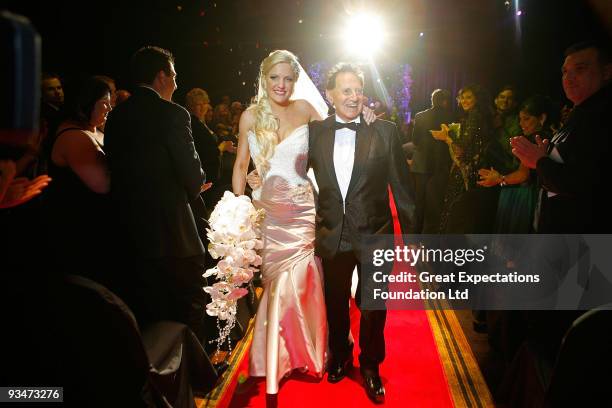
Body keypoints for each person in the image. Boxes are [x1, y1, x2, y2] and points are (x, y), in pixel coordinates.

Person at [308, 63, 414, 403]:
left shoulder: (384, 131)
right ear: (330, 94)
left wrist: (414, 241)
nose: (354, 97)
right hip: (332, 234)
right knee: (335, 303)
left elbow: (403, 187)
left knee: (373, 306)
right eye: (346, 90)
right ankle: (340, 355)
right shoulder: (315, 132)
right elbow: (293, 175)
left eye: (358, 90)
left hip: (375, 233)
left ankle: (370, 366)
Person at [232, 50, 329, 397]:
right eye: (275, 78)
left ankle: (302, 352)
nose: (282, 85)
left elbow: (332, 145)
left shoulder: (305, 109)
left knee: (301, 280)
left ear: (296, 79)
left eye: (288, 78)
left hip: (302, 208)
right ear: (264, 78)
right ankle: (276, 356)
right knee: (275, 285)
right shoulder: (249, 116)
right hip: (269, 213)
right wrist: (238, 206)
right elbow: (241, 164)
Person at [104, 46, 211, 346]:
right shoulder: (173, 114)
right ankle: (197, 373)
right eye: (174, 76)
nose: (176, 84)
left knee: (149, 308)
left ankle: (162, 377)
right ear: (162, 76)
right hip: (173, 229)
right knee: (190, 301)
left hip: (130, 229)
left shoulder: (116, 116)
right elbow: (191, 173)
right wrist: (198, 184)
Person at [511, 40, 612, 233]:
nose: (569, 78)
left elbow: (587, 184)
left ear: (606, 72)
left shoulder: (602, 116)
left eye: (580, 69)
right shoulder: (581, 115)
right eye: (565, 72)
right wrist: (544, 157)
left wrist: (539, 161)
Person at [478, 95, 555, 233]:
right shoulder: (550, 136)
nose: (521, 123)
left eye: (527, 119)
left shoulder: (535, 139)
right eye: (520, 119)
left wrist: (500, 179)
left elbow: (523, 175)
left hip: (523, 196)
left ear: (542, 118)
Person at [432, 84, 493, 233]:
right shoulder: (471, 116)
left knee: (456, 209)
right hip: (468, 167)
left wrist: (447, 137)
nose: (464, 101)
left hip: (468, 169)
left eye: (469, 97)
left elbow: (462, 146)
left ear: (476, 99)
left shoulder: (474, 116)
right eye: (462, 97)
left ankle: (450, 249)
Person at [410, 89, 453, 234]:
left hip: (421, 163)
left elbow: (415, 141)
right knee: (435, 204)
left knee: (419, 202)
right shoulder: (451, 116)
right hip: (441, 165)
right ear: (445, 101)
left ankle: (414, 237)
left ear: (432, 100)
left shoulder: (420, 116)